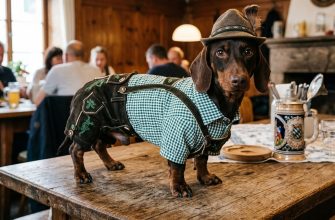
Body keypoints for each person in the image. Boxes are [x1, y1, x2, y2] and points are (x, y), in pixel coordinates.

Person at [34, 40, 103, 106]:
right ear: (84, 55)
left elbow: (38, 101)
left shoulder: (57, 70)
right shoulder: (97, 71)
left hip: (64, 117)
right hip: (91, 117)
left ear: (66, 55)